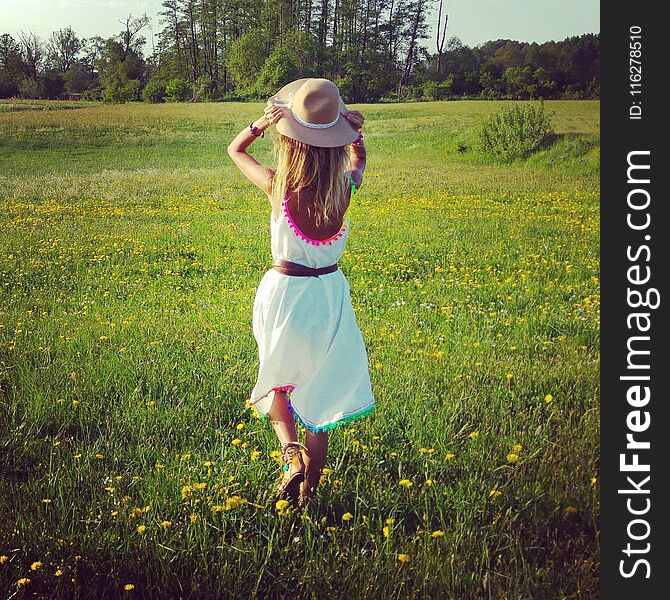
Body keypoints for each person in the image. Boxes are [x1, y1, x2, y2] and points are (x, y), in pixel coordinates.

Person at [227, 78, 375, 509]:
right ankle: (308, 494)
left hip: (285, 293)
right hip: (328, 297)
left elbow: (235, 151)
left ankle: (289, 454)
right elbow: (360, 160)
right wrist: (356, 135)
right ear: (336, 148)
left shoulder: (278, 187)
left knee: (278, 382)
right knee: (320, 401)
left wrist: (259, 124)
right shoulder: (343, 190)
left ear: (291, 143)